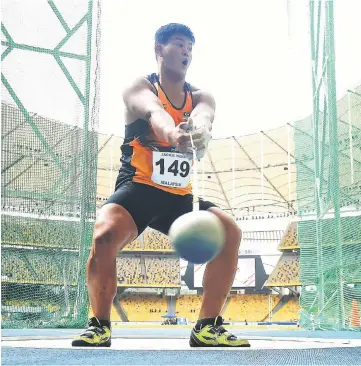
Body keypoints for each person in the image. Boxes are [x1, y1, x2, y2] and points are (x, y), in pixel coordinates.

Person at [72, 23, 249, 348]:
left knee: (230, 232)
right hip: (138, 188)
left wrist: (199, 129)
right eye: (180, 44)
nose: (186, 52)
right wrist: (174, 135)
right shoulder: (140, 87)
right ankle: (99, 325)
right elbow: (154, 112)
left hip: (178, 197)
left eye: (190, 47)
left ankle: (207, 326)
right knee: (104, 235)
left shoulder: (200, 95)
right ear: (159, 49)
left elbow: (204, 115)